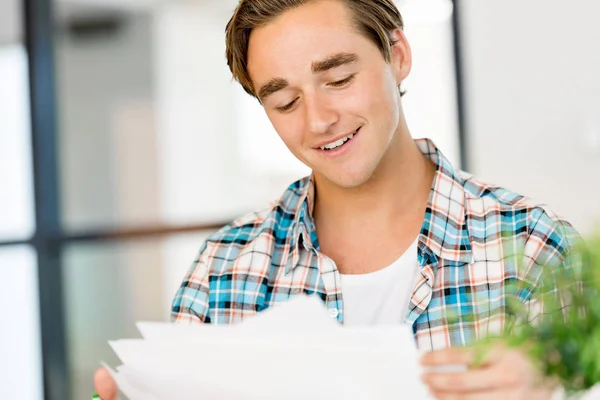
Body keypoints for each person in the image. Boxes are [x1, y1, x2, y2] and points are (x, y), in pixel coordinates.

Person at [95, 0, 581, 398]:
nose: (317, 121)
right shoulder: (224, 268)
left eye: (339, 79)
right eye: (285, 102)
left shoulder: (534, 246)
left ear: (398, 54)